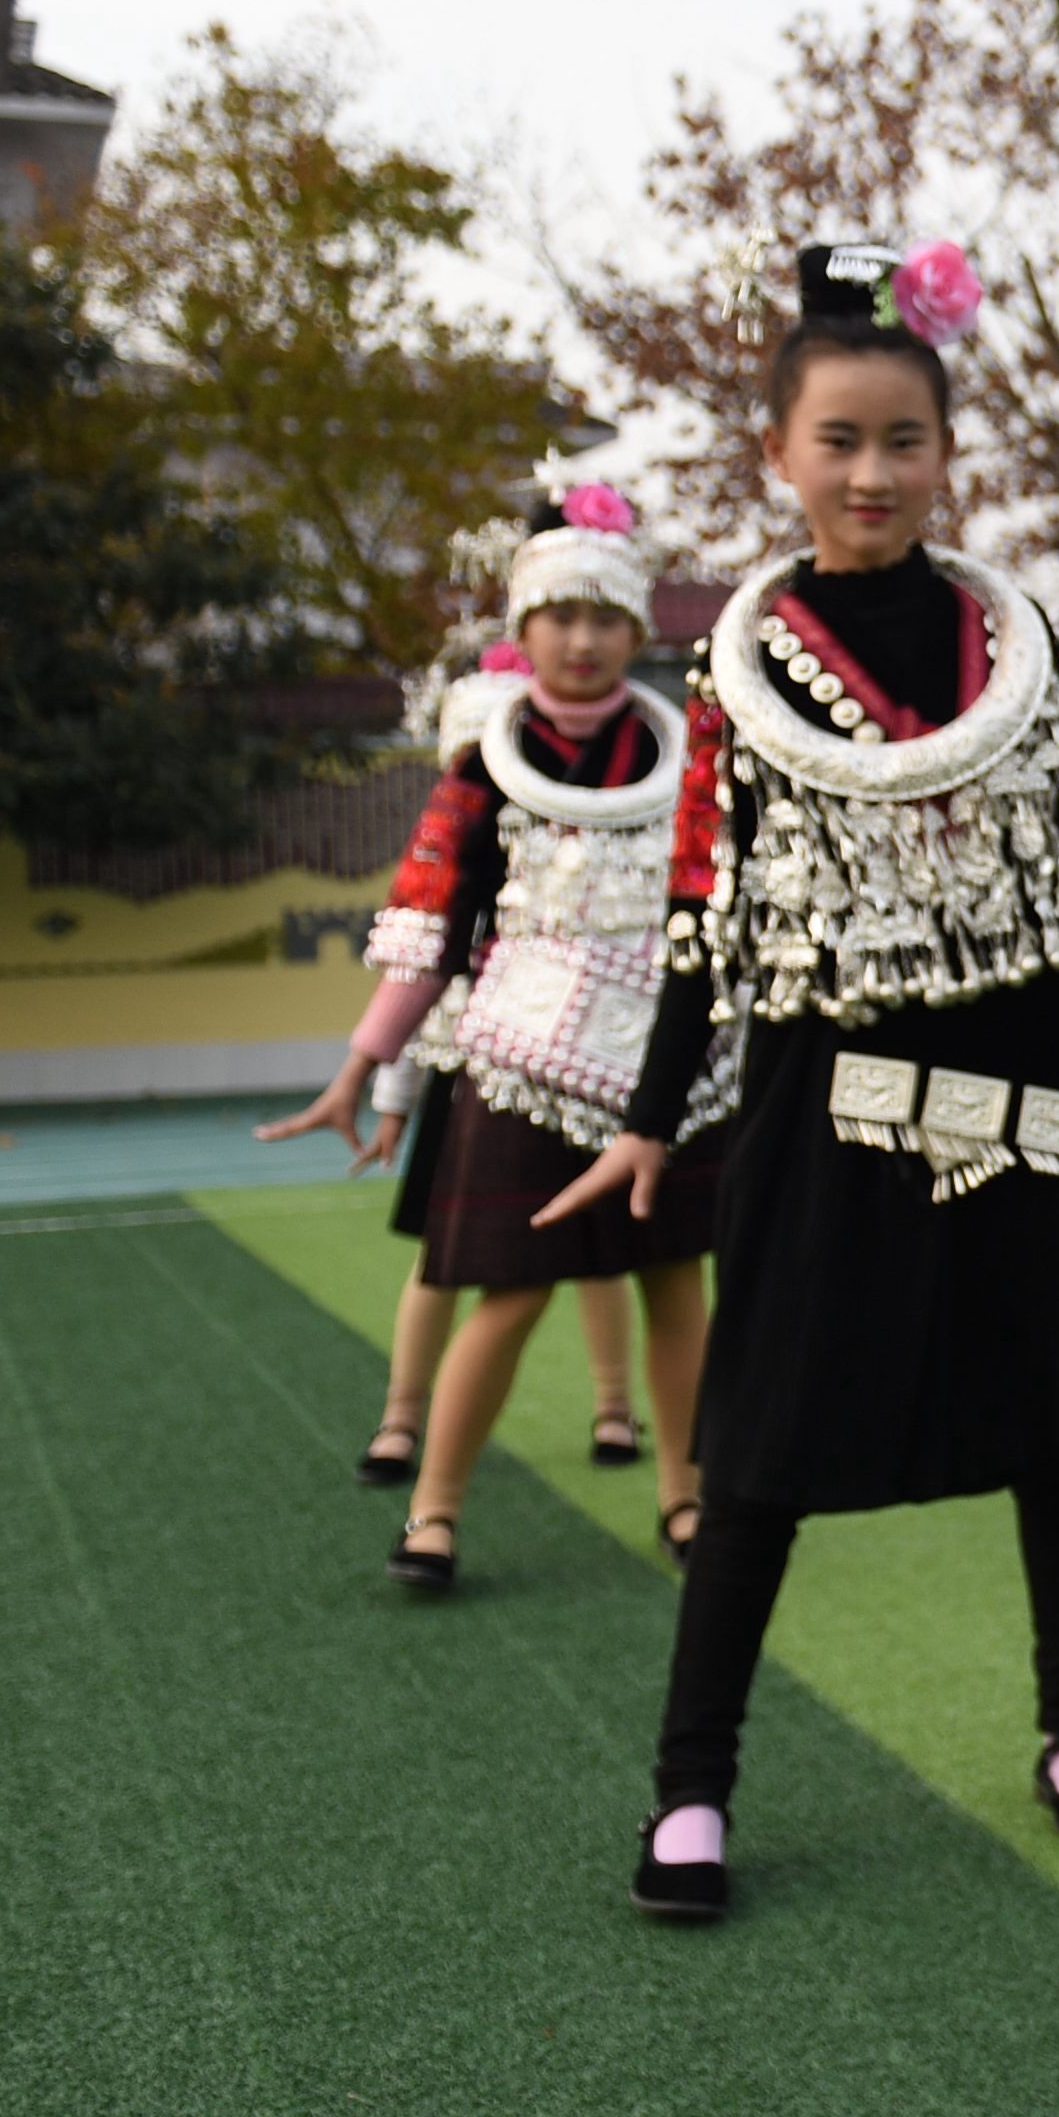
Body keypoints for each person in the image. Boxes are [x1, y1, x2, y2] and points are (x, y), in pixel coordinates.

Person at [538, 238, 1059, 1922]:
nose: (871, 471)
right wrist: (648, 1112)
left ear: (946, 452)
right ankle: (691, 1790)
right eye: (837, 439)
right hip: (832, 1084)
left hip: (1040, 1056)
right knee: (759, 1438)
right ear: (777, 455)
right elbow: (706, 899)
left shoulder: (1012, 634)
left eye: (902, 439)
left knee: (1055, 1412)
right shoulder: (739, 668)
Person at [263, 491, 729, 1583]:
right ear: (522, 631)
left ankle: (686, 1496)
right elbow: (429, 928)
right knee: (508, 1294)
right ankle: (433, 1510)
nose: (580, 640)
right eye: (558, 616)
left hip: (668, 1069)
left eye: (603, 617)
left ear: (636, 629)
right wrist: (362, 1067)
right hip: (517, 1068)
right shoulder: (480, 767)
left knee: (674, 1285)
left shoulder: (689, 759)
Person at [318, 653, 649, 1492]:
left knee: (607, 1252)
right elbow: (423, 961)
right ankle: (402, 1420)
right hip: (469, 1069)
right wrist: (386, 1086)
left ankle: (616, 1408)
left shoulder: (590, 829)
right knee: (449, 1257)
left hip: (583, 1060)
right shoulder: (465, 823)